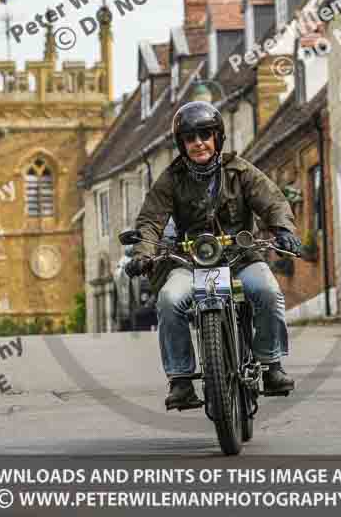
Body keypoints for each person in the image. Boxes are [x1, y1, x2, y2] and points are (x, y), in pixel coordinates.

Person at [125, 101, 302, 410]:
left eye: (205, 135)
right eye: (190, 138)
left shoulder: (241, 171)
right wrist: (143, 253)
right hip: (191, 260)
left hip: (240, 257)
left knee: (268, 291)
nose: (198, 143)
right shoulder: (170, 179)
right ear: (182, 144)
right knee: (168, 300)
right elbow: (151, 221)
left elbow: (272, 200)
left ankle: (271, 366)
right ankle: (180, 380)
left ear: (217, 138)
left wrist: (283, 228)